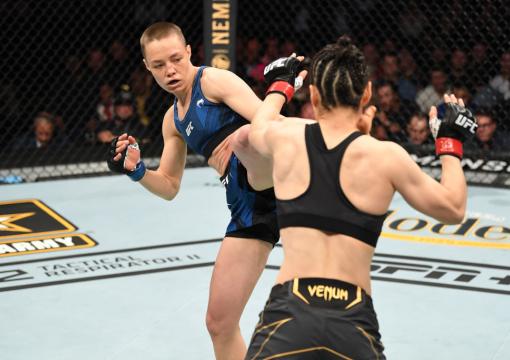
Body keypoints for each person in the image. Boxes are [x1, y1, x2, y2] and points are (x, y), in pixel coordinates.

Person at [245, 36, 477, 359]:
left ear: (313, 94)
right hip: (352, 320)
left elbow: (257, 127)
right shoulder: (386, 157)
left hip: (289, 313)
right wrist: (449, 142)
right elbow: (453, 208)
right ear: (366, 93)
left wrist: (281, 86)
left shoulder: (286, 137)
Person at [106, 22, 284, 359]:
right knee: (219, 322)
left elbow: (272, 126)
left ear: (189, 52)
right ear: (147, 67)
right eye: (158, 65)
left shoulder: (214, 81)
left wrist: (277, 97)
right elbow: (170, 187)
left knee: (249, 137)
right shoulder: (172, 120)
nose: (170, 70)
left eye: (175, 59)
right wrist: (137, 171)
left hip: (275, 178)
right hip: (247, 206)